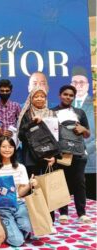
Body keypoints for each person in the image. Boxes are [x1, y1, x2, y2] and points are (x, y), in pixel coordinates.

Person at [52, 85, 92, 224]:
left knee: (80, 182)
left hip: (79, 154)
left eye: (71, 95)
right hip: (61, 154)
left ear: (74, 97)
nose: (68, 97)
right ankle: (63, 213)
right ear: (59, 95)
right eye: (65, 94)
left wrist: (83, 129)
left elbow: (88, 134)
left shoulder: (80, 113)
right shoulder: (52, 112)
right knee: (62, 182)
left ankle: (82, 213)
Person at [0, 136, 37, 246]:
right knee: (17, 241)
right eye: (4, 146)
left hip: (19, 204)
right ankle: (6, 226)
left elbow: (20, 193)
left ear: (14, 149)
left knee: (27, 227)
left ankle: (13, 227)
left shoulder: (20, 167)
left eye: (10, 147)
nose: (7, 149)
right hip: (2, 207)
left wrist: (29, 184)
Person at [18, 86, 56, 177]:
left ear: (45, 99)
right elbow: (21, 136)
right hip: (31, 156)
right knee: (34, 186)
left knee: (49, 186)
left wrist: (54, 155)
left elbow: (56, 135)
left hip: (49, 155)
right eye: (36, 96)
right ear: (31, 98)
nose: (39, 99)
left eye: (42, 96)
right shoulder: (27, 115)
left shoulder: (52, 113)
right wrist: (33, 123)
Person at [70, 66, 95, 172]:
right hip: (71, 158)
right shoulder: (66, 105)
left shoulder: (93, 104)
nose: (78, 86)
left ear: (88, 85)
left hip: (92, 158)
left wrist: (86, 149)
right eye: (75, 82)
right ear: (71, 85)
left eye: (82, 82)